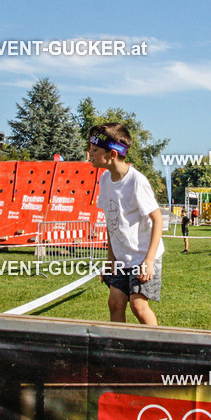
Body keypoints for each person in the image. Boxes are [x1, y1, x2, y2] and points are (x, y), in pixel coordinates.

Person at [89, 123, 163, 326]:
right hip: (121, 258)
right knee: (115, 303)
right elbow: (110, 223)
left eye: (95, 150)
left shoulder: (136, 181)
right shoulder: (104, 179)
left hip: (143, 256)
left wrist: (148, 260)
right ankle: (119, 348)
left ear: (112, 154)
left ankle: (155, 348)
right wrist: (110, 258)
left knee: (138, 306)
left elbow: (157, 219)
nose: (90, 154)